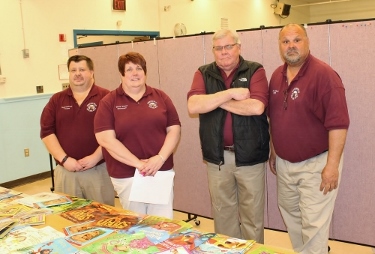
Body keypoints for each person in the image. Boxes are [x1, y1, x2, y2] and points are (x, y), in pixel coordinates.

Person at [268, 23, 350, 254]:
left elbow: (339, 124)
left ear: (307, 42)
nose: (291, 46)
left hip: (317, 164)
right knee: (291, 215)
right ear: (280, 46)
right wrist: (275, 149)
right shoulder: (276, 76)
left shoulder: (325, 76)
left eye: (297, 40)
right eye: (286, 42)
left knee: (314, 223)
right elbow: (274, 117)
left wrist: (332, 166)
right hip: (285, 165)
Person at [187, 29, 270, 243]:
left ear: (239, 47)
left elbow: (257, 107)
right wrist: (230, 94)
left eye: (229, 46)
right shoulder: (203, 73)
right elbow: (194, 105)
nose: (224, 52)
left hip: (250, 157)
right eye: (218, 48)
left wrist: (213, 101)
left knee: (252, 216)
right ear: (213, 51)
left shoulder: (255, 70)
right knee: (223, 216)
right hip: (218, 159)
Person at [94, 52, 181, 219]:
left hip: (159, 171)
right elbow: (106, 139)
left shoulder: (161, 97)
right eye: (129, 69)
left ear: (145, 72)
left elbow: (174, 130)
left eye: (139, 68)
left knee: (162, 223)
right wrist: (139, 164)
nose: (135, 73)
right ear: (121, 74)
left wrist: (160, 158)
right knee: (136, 224)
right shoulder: (109, 102)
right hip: (127, 174)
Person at [40, 55, 114, 206]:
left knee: (102, 217)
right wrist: (64, 159)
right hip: (66, 172)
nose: (77, 73)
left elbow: (115, 132)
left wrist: (95, 157)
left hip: (98, 170)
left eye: (82, 69)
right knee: (66, 216)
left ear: (92, 72)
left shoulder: (106, 97)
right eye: (73, 70)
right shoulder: (57, 100)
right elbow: (47, 132)